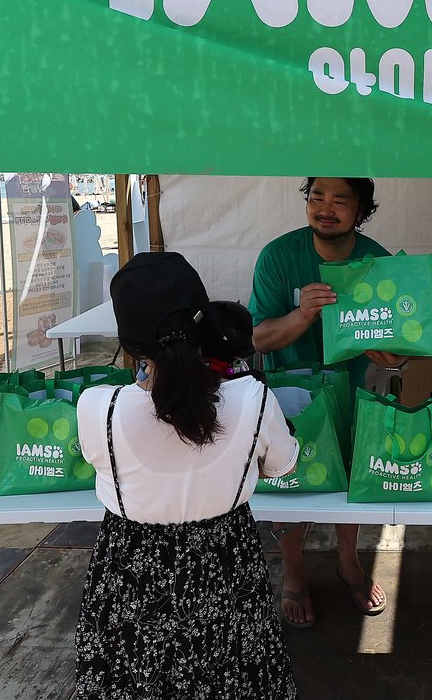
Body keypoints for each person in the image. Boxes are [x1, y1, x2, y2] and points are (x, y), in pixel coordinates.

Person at [74, 252, 300, 699]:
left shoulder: (99, 408)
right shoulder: (252, 398)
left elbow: (104, 463)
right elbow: (282, 465)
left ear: (129, 343)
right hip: (225, 564)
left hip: (132, 574)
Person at [249, 177, 397, 628]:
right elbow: (256, 337)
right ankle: (293, 570)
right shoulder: (278, 257)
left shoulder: (377, 262)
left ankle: (348, 562)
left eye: (339, 200)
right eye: (316, 197)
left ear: (361, 209)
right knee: (289, 483)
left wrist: (388, 355)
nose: (325, 208)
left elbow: (397, 352)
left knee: (348, 480)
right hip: (286, 397)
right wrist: (302, 315)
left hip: (351, 394)